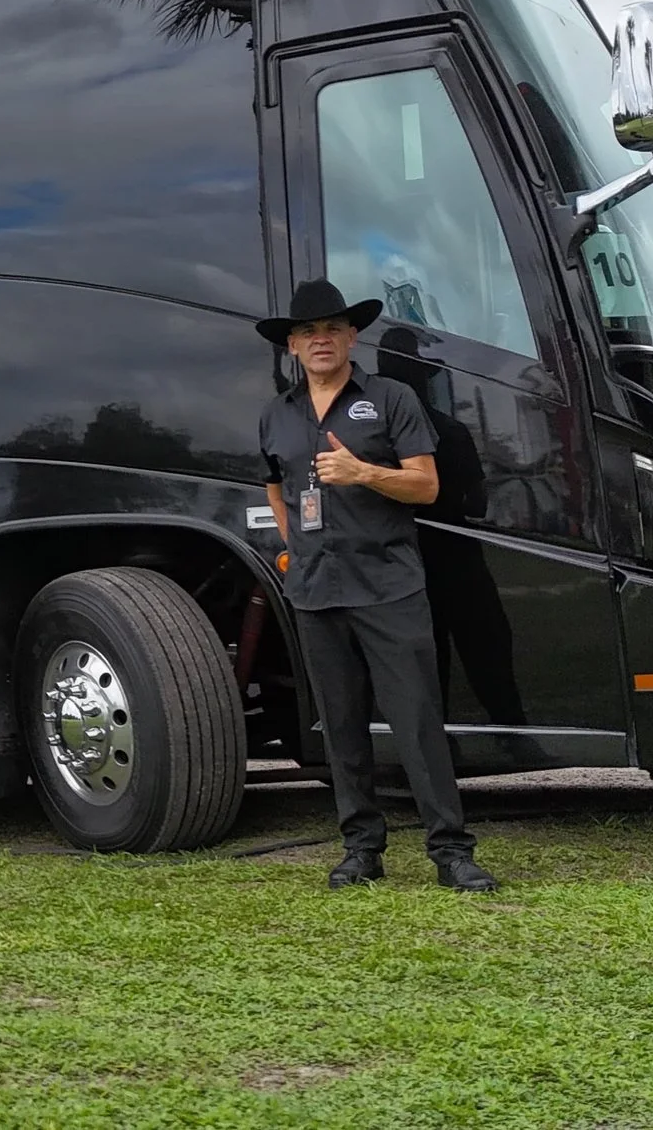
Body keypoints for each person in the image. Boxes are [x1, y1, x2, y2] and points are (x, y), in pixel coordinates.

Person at [255, 279, 500, 893]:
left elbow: (426, 486)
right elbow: (274, 485)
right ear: (292, 344)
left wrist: (363, 471)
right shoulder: (275, 414)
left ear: (350, 337)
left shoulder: (389, 399)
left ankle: (451, 852)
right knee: (340, 728)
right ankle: (361, 848)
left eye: (332, 329)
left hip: (388, 587)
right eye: (309, 332)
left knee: (417, 723)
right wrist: (295, 546)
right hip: (315, 591)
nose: (321, 340)